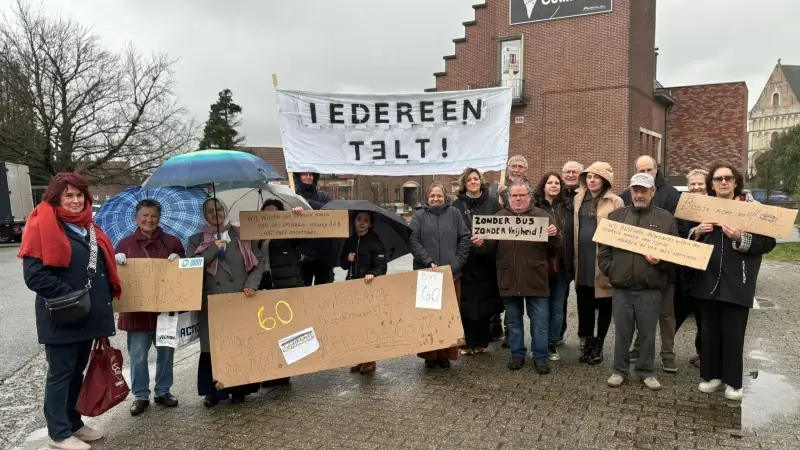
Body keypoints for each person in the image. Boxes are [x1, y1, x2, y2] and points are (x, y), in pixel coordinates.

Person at [19, 173, 121, 450]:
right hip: (62, 316)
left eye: (79, 195)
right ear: (56, 198)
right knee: (60, 375)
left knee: (77, 372)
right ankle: (59, 433)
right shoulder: (43, 225)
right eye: (69, 195)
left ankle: (74, 422)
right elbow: (34, 276)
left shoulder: (88, 227)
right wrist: (72, 297)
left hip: (86, 316)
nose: (76, 201)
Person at [690, 163, 775, 401]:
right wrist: (697, 231)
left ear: (736, 182)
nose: (723, 182)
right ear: (712, 184)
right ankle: (712, 376)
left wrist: (741, 237)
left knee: (733, 333)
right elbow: (684, 239)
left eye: (728, 178)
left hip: (738, 281)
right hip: (707, 281)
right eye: (718, 179)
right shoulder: (702, 207)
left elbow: (768, 243)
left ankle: (734, 382)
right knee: (709, 332)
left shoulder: (751, 209)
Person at [599, 173, 679, 391]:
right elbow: (603, 250)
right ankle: (619, 370)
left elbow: (674, 255)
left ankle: (646, 371)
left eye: (644, 190)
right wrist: (611, 270)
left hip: (650, 288)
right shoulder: (616, 217)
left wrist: (661, 262)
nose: (639, 194)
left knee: (647, 334)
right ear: (630, 191)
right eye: (635, 190)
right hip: (622, 287)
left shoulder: (666, 219)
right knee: (622, 332)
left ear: (653, 192)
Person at [188, 197, 266, 407]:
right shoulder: (195, 240)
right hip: (212, 302)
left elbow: (259, 263)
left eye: (219, 209)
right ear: (204, 215)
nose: (216, 214)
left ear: (225, 210)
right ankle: (213, 392)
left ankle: (240, 389)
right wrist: (214, 247)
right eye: (210, 211)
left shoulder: (241, 234)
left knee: (238, 344)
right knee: (213, 348)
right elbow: (191, 266)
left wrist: (251, 284)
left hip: (240, 298)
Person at [477, 181, 562, 374]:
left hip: (535, 277)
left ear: (529, 197)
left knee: (540, 322)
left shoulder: (542, 216)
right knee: (514, 321)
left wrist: (554, 235)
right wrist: (481, 243)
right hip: (509, 277)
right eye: (514, 195)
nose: (518, 199)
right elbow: (488, 248)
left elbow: (557, 246)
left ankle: (540, 356)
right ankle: (517, 354)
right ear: (508, 198)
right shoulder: (499, 217)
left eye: (522, 195)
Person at [114, 199, 185, 416]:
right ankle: (140, 395)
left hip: (165, 311)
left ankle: (163, 391)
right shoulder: (124, 244)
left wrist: (180, 259)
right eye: (145, 215)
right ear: (137, 217)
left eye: (154, 216)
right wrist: (115, 262)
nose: (149, 220)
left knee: (166, 353)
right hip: (137, 312)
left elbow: (185, 275)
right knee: (137, 356)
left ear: (159, 218)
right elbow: (114, 277)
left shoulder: (172, 243)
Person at [619, 155, 682, 373]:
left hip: (663, 270)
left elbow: (678, 234)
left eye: (649, 169)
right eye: (640, 169)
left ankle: (667, 354)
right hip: (635, 270)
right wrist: (613, 269)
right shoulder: (626, 199)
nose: (645, 173)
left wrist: (662, 256)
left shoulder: (673, 195)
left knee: (665, 314)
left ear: (656, 170)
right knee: (640, 317)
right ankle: (637, 350)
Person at [409, 182, 472, 368]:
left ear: (445, 197)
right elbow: (413, 239)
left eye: (439, 195)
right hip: (428, 275)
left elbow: (465, 238)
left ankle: (445, 354)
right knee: (428, 317)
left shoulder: (455, 214)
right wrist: (428, 261)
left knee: (448, 316)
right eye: (432, 196)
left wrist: (455, 264)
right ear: (427, 198)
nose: (436, 199)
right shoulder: (419, 215)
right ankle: (430, 355)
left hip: (451, 274)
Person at [573, 162, 624, 365]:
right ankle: (586, 341)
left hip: (603, 261)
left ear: (604, 180)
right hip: (582, 260)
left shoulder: (616, 201)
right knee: (583, 304)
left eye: (596, 177)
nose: (592, 180)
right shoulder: (578, 198)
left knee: (604, 304)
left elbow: (621, 233)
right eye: (589, 176)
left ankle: (599, 344)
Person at [451, 168, 503, 355]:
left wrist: (486, 241)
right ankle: (467, 343)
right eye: (469, 180)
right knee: (465, 302)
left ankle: (482, 341)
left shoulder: (493, 204)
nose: (473, 182)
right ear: (464, 184)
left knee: (484, 303)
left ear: (481, 182)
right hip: (465, 261)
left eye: (476, 179)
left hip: (486, 260)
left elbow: (500, 230)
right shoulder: (455, 206)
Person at [257, 199, 305, 388]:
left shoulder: (288, 232)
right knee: (269, 329)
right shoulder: (258, 233)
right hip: (265, 283)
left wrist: (298, 219)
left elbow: (304, 240)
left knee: (284, 329)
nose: (270, 216)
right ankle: (272, 370)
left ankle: (283, 372)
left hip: (285, 283)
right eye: (266, 212)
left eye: (274, 213)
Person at [340, 210, 388, 374]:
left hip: (368, 287)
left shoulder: (375, 242)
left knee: (369, 324)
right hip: (352, 287)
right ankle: (360, 357)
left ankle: (370, 360)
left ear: (370, 224)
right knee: (356, 325)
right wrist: (348, 259)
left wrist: (372, 273)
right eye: (359, 219)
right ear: (354, 222)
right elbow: (343, 265)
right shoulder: (351, 241)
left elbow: (382, 265)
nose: (361, 223)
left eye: (365, 220)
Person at [490, 155, 529, 346]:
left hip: (520, 248)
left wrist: (508, 195)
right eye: (513, 165)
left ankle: (510, 332)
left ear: (525, 170)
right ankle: (494, 323)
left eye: (520, 166)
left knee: (514, 292)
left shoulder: (530, 189)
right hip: (499, 246)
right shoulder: (494, 187)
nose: (516, 169)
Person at [534, 172, 573, 361]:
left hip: (563, 265)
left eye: (557, 182)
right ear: (543, 186)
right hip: (540, 264)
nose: (553, 185)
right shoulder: (534, 206)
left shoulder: (568, 206)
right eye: (549, 182)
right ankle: (539, 341)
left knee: (557, 306)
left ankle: (552, 340)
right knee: (541, 306)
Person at [674, 169, 708, 368]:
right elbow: (678, 235)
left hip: (707, 273)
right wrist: (695, 231)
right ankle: (665, 351)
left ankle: (703, 353)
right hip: (685, 273)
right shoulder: (683, 208)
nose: (696, 187)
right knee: (675, 315)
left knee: (704, 318)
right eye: (692, 184)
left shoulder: (717, 207)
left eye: (700, 184)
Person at [293, 172, 335, 286]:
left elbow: (333, 213)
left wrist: (309, 205)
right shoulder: (292, 197)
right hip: (301, 253)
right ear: (298, 177)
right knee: (302, 291)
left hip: (323, 253)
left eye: (310, 174)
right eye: (304, 174)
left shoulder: (323, 196)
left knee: (324, 291)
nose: (308, 177)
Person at [558, 161, 582, 344]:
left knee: (584, 298)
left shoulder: (586, 194)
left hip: (583, 255)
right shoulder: (557, 193)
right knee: (560, 297)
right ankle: (558, 333)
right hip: (563, 255)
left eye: (575, 172)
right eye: (567, 172)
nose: (570, 175)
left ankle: (584, 336)